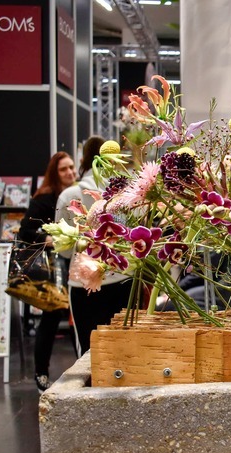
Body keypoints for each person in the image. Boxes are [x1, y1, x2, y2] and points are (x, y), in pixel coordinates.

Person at [56, 136, 132, 357]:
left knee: (89, 354)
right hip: (123, 277)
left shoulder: (69, 196)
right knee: (124, 350)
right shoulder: (125, 194)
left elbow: (64, 249)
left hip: (83, 283)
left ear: (83, 160)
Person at [18, 151, 77, 392]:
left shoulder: (76, 194)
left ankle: (85, 370)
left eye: (71, 167)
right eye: (63, 169)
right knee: (50, 320)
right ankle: (41, 373)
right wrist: (48, 239)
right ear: (55, 172)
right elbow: (25, 231)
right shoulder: (43, 198)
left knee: (76, 319)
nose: (70, 172)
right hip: (53, 268)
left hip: (75, 265)